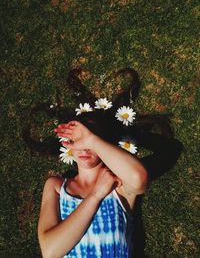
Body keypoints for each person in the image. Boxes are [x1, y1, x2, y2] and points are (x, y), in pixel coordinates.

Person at [37, 110, 148, 258]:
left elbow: (139, 179)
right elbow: (50, 251)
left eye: (89, 141)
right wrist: (96, 195)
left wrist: (92, 140)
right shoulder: (56, 186)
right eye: (77, 140)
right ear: (69, 144)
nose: (84, 148)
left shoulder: (118, 184)